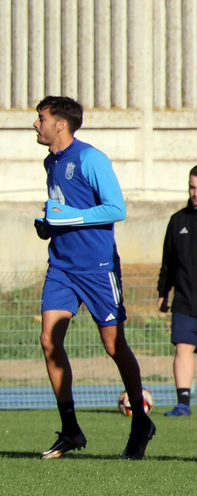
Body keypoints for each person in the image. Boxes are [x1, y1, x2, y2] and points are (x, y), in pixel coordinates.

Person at [32, 96, 155, 459]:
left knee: (114, 345)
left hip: (98, 268)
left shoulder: (91, 158)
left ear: (60, 124)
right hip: (62, 268)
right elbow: (63, 211)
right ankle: (70, 429)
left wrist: (67, 216)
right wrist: (48, 224)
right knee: (48, 339)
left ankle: (140, 421)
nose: (35, 124)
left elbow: (116, 208)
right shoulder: (50, 162)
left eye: (41, 118)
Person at [157, 166, 197, 416]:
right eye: (192, 187)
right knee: (183, 347)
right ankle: (183, 404)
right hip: (184, 299)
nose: (195, 193)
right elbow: (168, 262)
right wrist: (163, 292)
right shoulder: (178, 220)